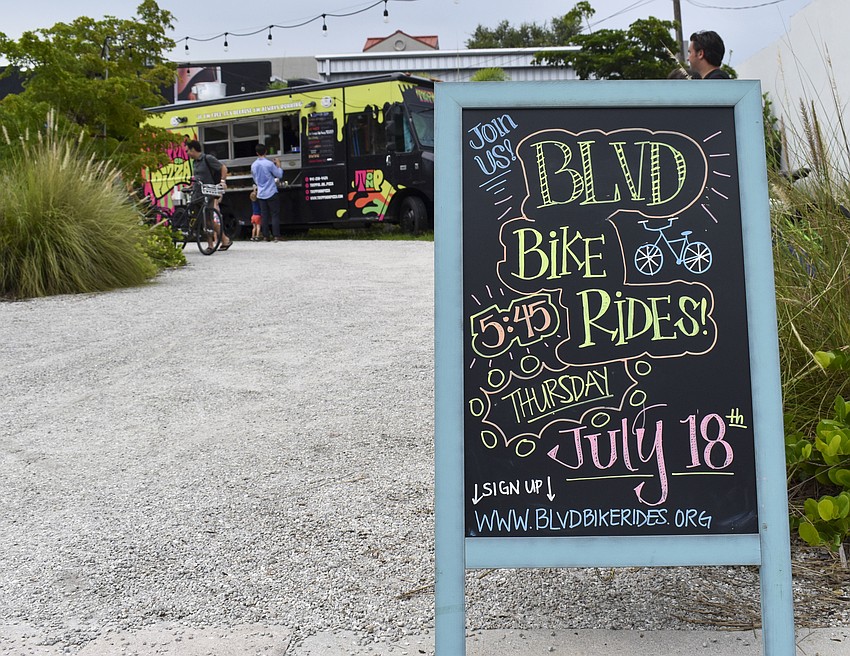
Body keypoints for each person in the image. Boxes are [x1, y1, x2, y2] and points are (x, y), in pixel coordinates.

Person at [186, 139, 232, 250]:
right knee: (202, 220)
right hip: (197, 194)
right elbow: (198, 177)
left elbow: (223, 168)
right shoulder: (194, 162)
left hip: (208, 193)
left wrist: (222, 181)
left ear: (193, 150)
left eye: (188, 151)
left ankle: (216, 243)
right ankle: (220, 241)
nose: (187, 153)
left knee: (208, 220)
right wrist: (192, 186)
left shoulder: (207, 159)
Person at [251, 143, 284, 242]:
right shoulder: (269, 164)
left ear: (256, 153)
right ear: (266, 151)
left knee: (264, 215)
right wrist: (278, 165)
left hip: (261, 193)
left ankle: (266, 236)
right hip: (271, 192)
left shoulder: (253, 165)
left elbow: (255, 179)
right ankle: (276, 236)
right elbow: (279, 175)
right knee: (274, 214)